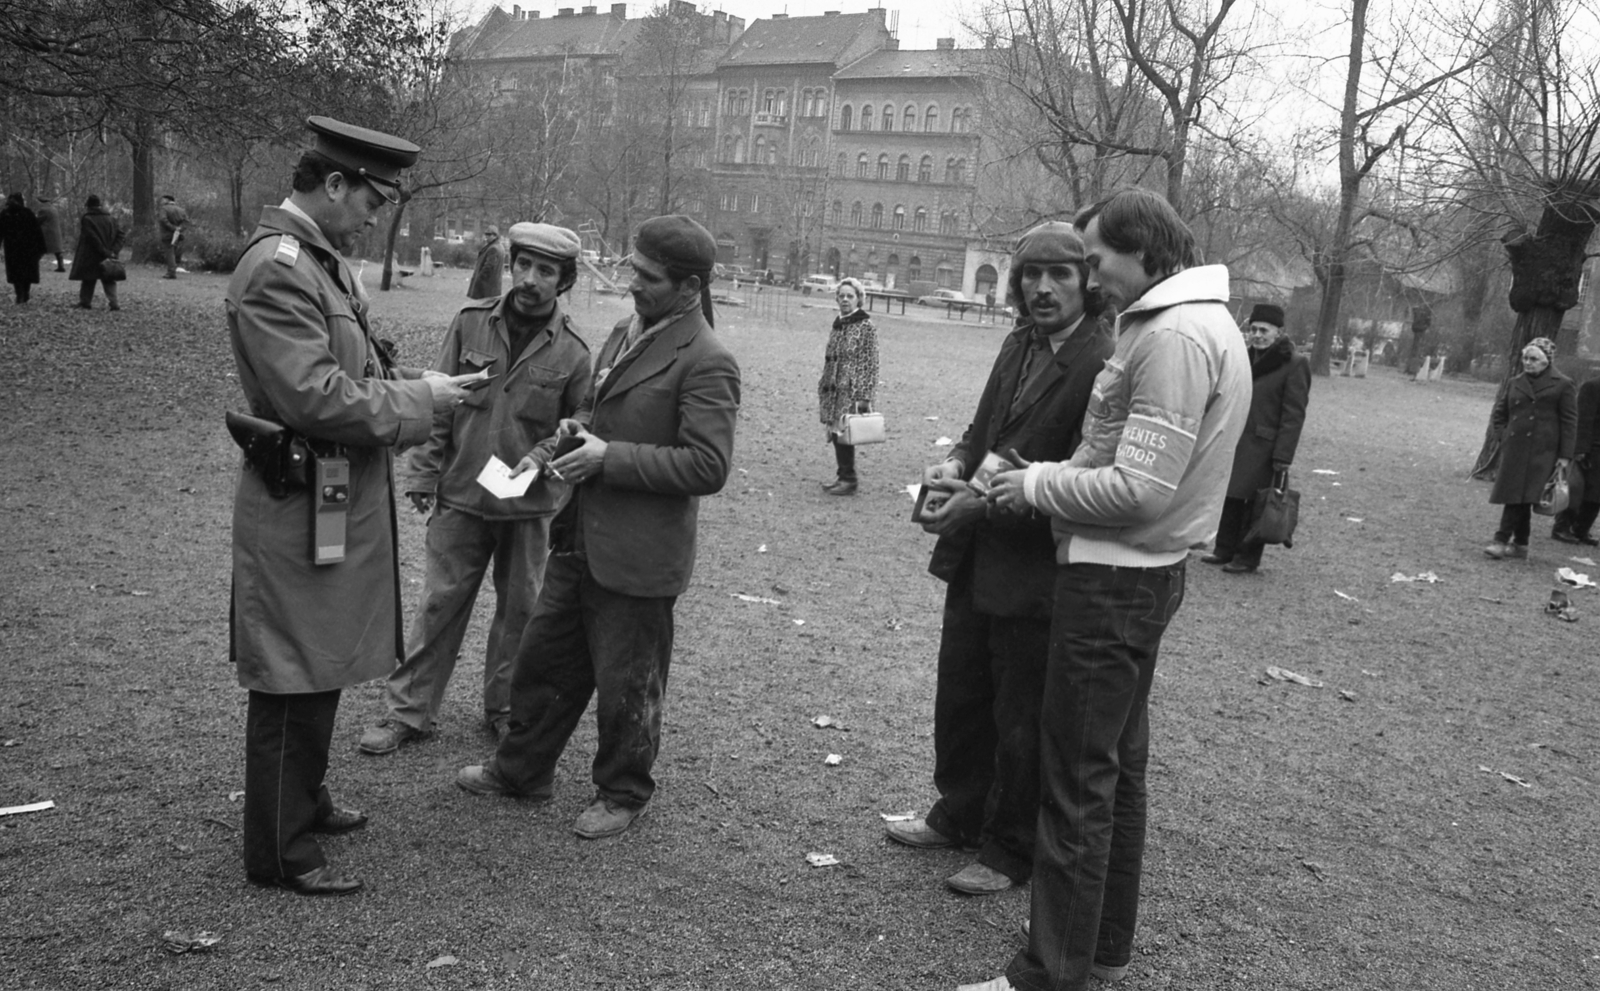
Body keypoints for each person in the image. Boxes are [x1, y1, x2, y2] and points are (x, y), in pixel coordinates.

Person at [967, 189, 1250, 991]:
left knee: (1077, 785)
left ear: (1140, 250)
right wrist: (1045, 474)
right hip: (1141, 577)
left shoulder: (1174, 337)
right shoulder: (1189, 324)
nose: (1089, 281)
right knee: (1117, 773)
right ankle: (1102, 948)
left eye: (1094, 263)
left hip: (1114, 581)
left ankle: (1048, 972)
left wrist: (1035, 489)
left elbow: (1138, 490)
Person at [227, 115, 483, 896]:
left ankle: (302, 798)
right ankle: (279, 847)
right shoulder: (279, 267)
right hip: (302, 492)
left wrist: (415, 379)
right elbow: (315, 396)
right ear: (333, 184)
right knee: (292, 666)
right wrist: (422, 399)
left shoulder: (320, 261)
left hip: (328, 494)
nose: (377, 214)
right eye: (372, 197)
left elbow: (352, 364)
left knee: (324, 653)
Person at [456, 214, 740, 841]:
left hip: (639, 555)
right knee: (544, 660)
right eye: (634, 268)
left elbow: (708, 465)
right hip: (579, 535)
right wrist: (571, 433)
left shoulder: (709, 360)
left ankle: (623, 790)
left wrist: (611, 458)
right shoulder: (624, 331)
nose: (631, 282)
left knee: (627, 684)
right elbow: (593, 408)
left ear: (690, 289)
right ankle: (522, 770)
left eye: (647, 276)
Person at [895, 223, 1113, 896]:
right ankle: (959, 813)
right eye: (1029, 275)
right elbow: (982, 431)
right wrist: (953, 465)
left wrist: (980, 503)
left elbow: (1076, 477)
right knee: (961, 695)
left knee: (1021, 716)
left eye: (1060, 275)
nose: (1042, 288)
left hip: (1036, 571)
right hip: (976, 557)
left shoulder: (1102, 360)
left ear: (1088, 282)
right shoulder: (1019, 341)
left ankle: (1010, 848)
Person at [358, 222, 593, 755]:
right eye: (525, 266)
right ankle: (408, 711)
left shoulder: (575, 352)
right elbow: (436, 397)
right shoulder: (469, 324)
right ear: (512, 266)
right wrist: (422, 471)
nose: (530, 280)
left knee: (521, 612)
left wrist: (548, 453)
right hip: (461, 493)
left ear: (565, 280)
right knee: (439, 604)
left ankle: (506, 709)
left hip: (528, 505)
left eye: (546, 271)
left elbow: (582, 419)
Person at [1203, 303, 1312, 574]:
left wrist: (1283, 456)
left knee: (1256, 502)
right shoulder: (1243, 356)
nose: (1257, 334)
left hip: (1265, 446)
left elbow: (1293, 415)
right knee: (1230, 497)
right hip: (1237, 438)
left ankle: (1248, 557)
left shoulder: (1294, 364)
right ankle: (1224, 548)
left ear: (1279, 332)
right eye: (1253, 329)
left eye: (1264, 330)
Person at [1485, 337, 1576, 559]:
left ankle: (1501, 539)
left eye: (1533, 358)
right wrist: (1503, 436)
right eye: (1525, 358)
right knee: (1519, 496)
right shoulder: (1515, 382)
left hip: (1543, 452)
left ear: (1546, 361)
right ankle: (1521, 544)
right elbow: (1500, 413)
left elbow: (1569, 421)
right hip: (1515, 449)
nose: (1528, 362)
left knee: (1521, 495)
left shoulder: (1563, 384)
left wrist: (1565, 456)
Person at [816, 277, 879, 495]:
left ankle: (849, 479)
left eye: (850, 296)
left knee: (844, 433)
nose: (845, 300)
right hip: (833, 387)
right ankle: (843, 476)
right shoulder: (839, 323)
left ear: (859, 299)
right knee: (835, 432)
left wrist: (864, 396)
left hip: (850, 390)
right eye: (841, 296)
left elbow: (870, 363)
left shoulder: (865, 326)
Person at [1552, 370, 1600, 545]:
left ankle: (1582, 529)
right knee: (1576, 489)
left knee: (1596, 496)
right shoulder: (1592, 386)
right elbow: (1583, 420)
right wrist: (1579, 449)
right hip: (1591, 450)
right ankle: (1562, 527)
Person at [69, 194, 124, 310]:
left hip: (90, 254)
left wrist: (104, 251)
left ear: (88, 206)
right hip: (109, 254)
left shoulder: (87, 219)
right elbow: (120, 235)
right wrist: (114, 251)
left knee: (88, 279)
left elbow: (92, 238)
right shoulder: (111, 218)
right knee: (109, 279)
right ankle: (114, 303)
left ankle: (85, 302)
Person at [0, 193, 47, 304]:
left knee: (16, 274)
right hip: (28, 248)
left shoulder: (5, 214)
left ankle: (20, 295)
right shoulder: (27, 213)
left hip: (13, 248)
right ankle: (24, 295)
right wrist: (41, 248)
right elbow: (37, 232)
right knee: (27, 273)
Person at [467, 225, 504, 299]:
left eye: (489, 235)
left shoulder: (494, 248)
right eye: (486, 234)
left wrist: (479, 278)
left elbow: (489, 266)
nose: (486, 237)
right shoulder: (499, 246)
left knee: (481, 306)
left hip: (486, 286)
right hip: (491, 286)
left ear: (495, 236)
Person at [159, 194, 189, 279]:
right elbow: (186, 222)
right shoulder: (181, 210)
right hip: (177, 235)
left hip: (167, 234)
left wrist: (173, 228)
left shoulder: (164, 209)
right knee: (173, 252)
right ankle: (172, 270)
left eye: (163, 200)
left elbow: (163, 219)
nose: (161, 201)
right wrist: (179, 229)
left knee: (169, 253)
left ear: (167, 200)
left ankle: (171, 272)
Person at [36, 195, 65, 272]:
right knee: (58, 251)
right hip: (56, 233)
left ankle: (33, 266)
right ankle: (61, 266)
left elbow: (38, 221)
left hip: (47, 233)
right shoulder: (54, 209)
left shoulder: (43, 210)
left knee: (39, 250)